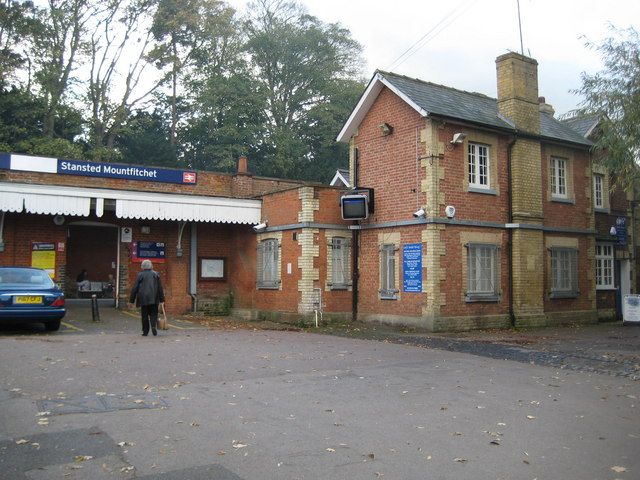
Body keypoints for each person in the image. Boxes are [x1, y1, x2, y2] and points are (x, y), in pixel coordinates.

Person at [128, 260, 165, 336]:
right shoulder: (156, 274)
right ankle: (153, 326)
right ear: (151, 266)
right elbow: (160, 288)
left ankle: (145, 332)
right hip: (154, 298)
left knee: (144, 315)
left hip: (143, 298)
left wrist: (131, 300)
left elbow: (135, 288)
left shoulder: (140, 275)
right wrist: (162, 300)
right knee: (154, 314)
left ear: (142, 266)